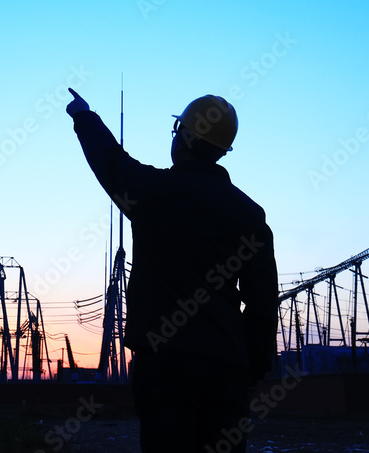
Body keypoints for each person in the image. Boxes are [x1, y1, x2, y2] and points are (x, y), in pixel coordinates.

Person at [66, 88, 278, 453]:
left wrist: (84, 117)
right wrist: (254, 368)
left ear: (184, 139)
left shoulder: (153, 194)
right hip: (226, 368)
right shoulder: (249, 213)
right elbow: (262, 303)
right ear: (221, 150)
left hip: (166, 364)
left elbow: (111, 162)